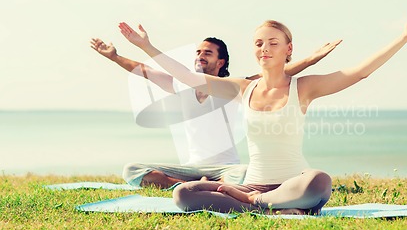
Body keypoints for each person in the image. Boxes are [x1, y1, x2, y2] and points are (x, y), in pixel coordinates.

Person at [117, 6, 407, 214]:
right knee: (183, 195)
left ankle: (257, 204)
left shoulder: (304, 88)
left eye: (272, 42)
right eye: (258, 43)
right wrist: (146, 46)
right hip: (251, 182)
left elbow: (359, 72)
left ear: (288, 49)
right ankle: (272, 205)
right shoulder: (244, 88)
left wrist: (403, 38)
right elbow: (188, 78)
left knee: (319, 181)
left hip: (290, 181)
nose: (264, 49)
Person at [90, 29, 340, 189]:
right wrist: (114, 56)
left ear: (220, 62)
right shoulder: (180, 86)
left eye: (207, 53)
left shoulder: (234, 90)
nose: (200, 55)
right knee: (132, 170)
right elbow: (143, 70)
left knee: (245, 175)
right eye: (198, 52)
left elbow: (279, 72)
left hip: (227, 169)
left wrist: (312, 59)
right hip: (189, 168)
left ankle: (200, 185)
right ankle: (187, 185)